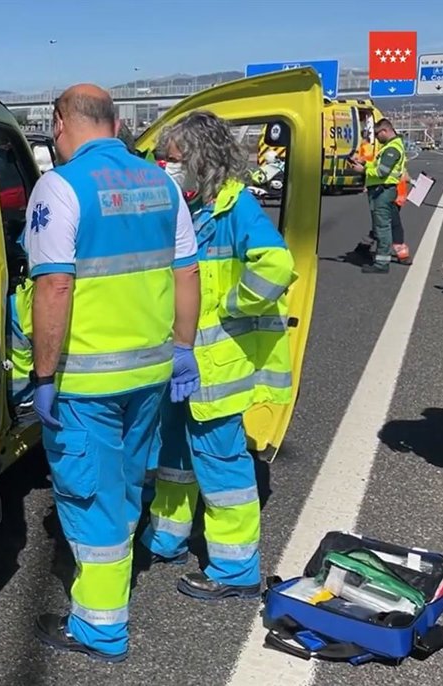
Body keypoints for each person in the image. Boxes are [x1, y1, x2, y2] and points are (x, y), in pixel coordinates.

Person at [23, 83, 201, 663]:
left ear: (59, 124)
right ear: (117, 124)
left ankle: (99, 626)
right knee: (123, 485)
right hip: (150, 372)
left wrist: (43, 377)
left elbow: (54, 285)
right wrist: (183, 347)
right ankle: (115, 580)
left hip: (86, 381)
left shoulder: (61, 186)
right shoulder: (161, 184)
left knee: (89, 494)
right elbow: (187, 273)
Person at [141, 111, 297, 600]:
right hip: (181, 359)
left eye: (175, 158)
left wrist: (229, 305)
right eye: (163, 157)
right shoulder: (186, 208)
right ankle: (166, 537)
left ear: (202, 161)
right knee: (173, 453)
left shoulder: (235, 208)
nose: (167, 165)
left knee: (221, 463)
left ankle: (235, 569)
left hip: (217, 364)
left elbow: (277, 266)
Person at [349, 118, 408, 272]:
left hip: (383, 191)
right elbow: (378, 166)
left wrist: (363, 170)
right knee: (382, 226)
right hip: (383, 190)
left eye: (377, 134)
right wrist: (364, 163)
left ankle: (382, 264)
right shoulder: (390, 146)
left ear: (385, 131)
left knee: (382, 228)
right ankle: (382, 261)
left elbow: (382, 172)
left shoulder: (392, 149)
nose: (376, 138)